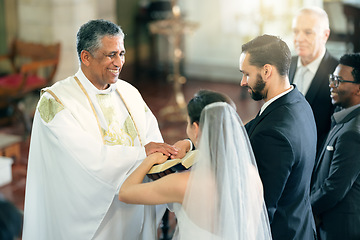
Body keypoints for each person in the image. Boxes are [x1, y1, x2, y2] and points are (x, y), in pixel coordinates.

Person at [22, 19, 191, 240]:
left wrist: (165, 162)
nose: (118, 62)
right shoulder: (56, 101)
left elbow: (152, 139)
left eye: (121, 53)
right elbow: (82, 158)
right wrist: (142, 154)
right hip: (92, 221)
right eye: (111, 55)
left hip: (134, 206)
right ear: (86, 57)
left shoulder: (129, 92)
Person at [119, 89, 272, 240]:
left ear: (196, 128)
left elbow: (125, 193)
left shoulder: (183, 184)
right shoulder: (251, 174)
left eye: (187, 123)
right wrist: (189, 143)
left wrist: (149, 160)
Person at [239, 34, 317, 240]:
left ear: (266, 71)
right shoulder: (298, 101)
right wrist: (193, 143)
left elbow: (262, 210)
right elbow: (250, 129)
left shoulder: (273, 135)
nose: (242, 82)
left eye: (247, 74)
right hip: (301, 224)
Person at [310, 53, 360, 240]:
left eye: (338, 80)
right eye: (332, 78)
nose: (331, 84)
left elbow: (334, 188)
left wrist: (307, 207)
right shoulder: (342, 117)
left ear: (358, 89)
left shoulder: (352, 132)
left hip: (340, 230)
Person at [289, 7, 338, 155]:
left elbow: (334, 130)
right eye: (296, 31)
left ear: (325, 35)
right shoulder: (286, 65)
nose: (299, 38)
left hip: (316, 158)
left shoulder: (337, 73)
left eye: (308, 32)